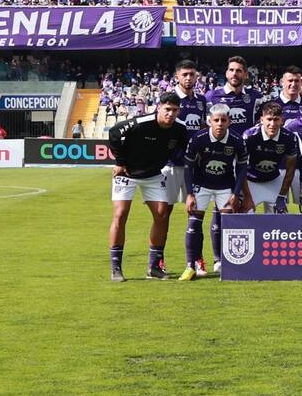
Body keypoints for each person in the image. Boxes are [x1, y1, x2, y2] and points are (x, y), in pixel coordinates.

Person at [107, 92, 188, 282]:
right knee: (120, 214)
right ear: (159, 107)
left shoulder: (179, 129)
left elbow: (185, 148)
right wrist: (120, 161)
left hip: (153, 175)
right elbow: (114, 133)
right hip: (126, 174)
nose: (170, 114)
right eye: (167, 109)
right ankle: (116, 268)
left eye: (175, 110)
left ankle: (154, 267)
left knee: (161, 214)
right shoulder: (140, 122)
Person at [204, 56, 262, 272]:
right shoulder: (212, 96)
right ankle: (219, 258)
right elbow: (206, 124)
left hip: (247, 160)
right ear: (226, 73)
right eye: (231, 70)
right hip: (221, 160)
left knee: (245, 205)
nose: (235, 74)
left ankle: (243, 255)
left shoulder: (255, 98)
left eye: (239, 70)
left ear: (245, 74)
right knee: (221, 208)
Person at [179, 104, 249, 281]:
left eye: (223, 120)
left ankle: (227, 264)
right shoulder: (198, 138)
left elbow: (242, 168)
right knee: (194, 225)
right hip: (201, 185)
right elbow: (188, 167)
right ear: (209, 121)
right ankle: (190, 266)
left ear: (229, 121)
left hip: (225, 186)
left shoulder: (237, 140)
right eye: (216, 120)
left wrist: (236, 193)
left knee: (228, 225)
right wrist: (189, 194)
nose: (219, 124)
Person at [163, 60, 208, 275]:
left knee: (196, 213)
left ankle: (196, 260)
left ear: (196, 76)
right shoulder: (169, 101)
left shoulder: (201, 101)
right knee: (164, 213)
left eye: (192, 74)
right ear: (177, 77)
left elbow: (202, 129)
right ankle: (158, 261)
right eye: (184, 75)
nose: (188, 78)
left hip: (195, 167)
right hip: (171, 165)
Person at [242, 102, 298, 214]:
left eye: (276, 119)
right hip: (251, 182)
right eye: (269, 119)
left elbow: (290, 169)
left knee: (279, 220)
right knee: (244, 217)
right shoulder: (249, 136)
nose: (272, 124)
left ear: (282, 120)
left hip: (274, 181)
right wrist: (247, 196)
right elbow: (240, 167)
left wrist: (282, 196)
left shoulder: (289, 138)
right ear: (262, 119)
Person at [273, 65, 302, 206]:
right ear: (282, 82)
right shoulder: (271, 104)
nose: (293, 84)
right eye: (290, 80)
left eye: (297, 81)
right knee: (277, 209)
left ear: (301, 83)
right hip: (278, 166)